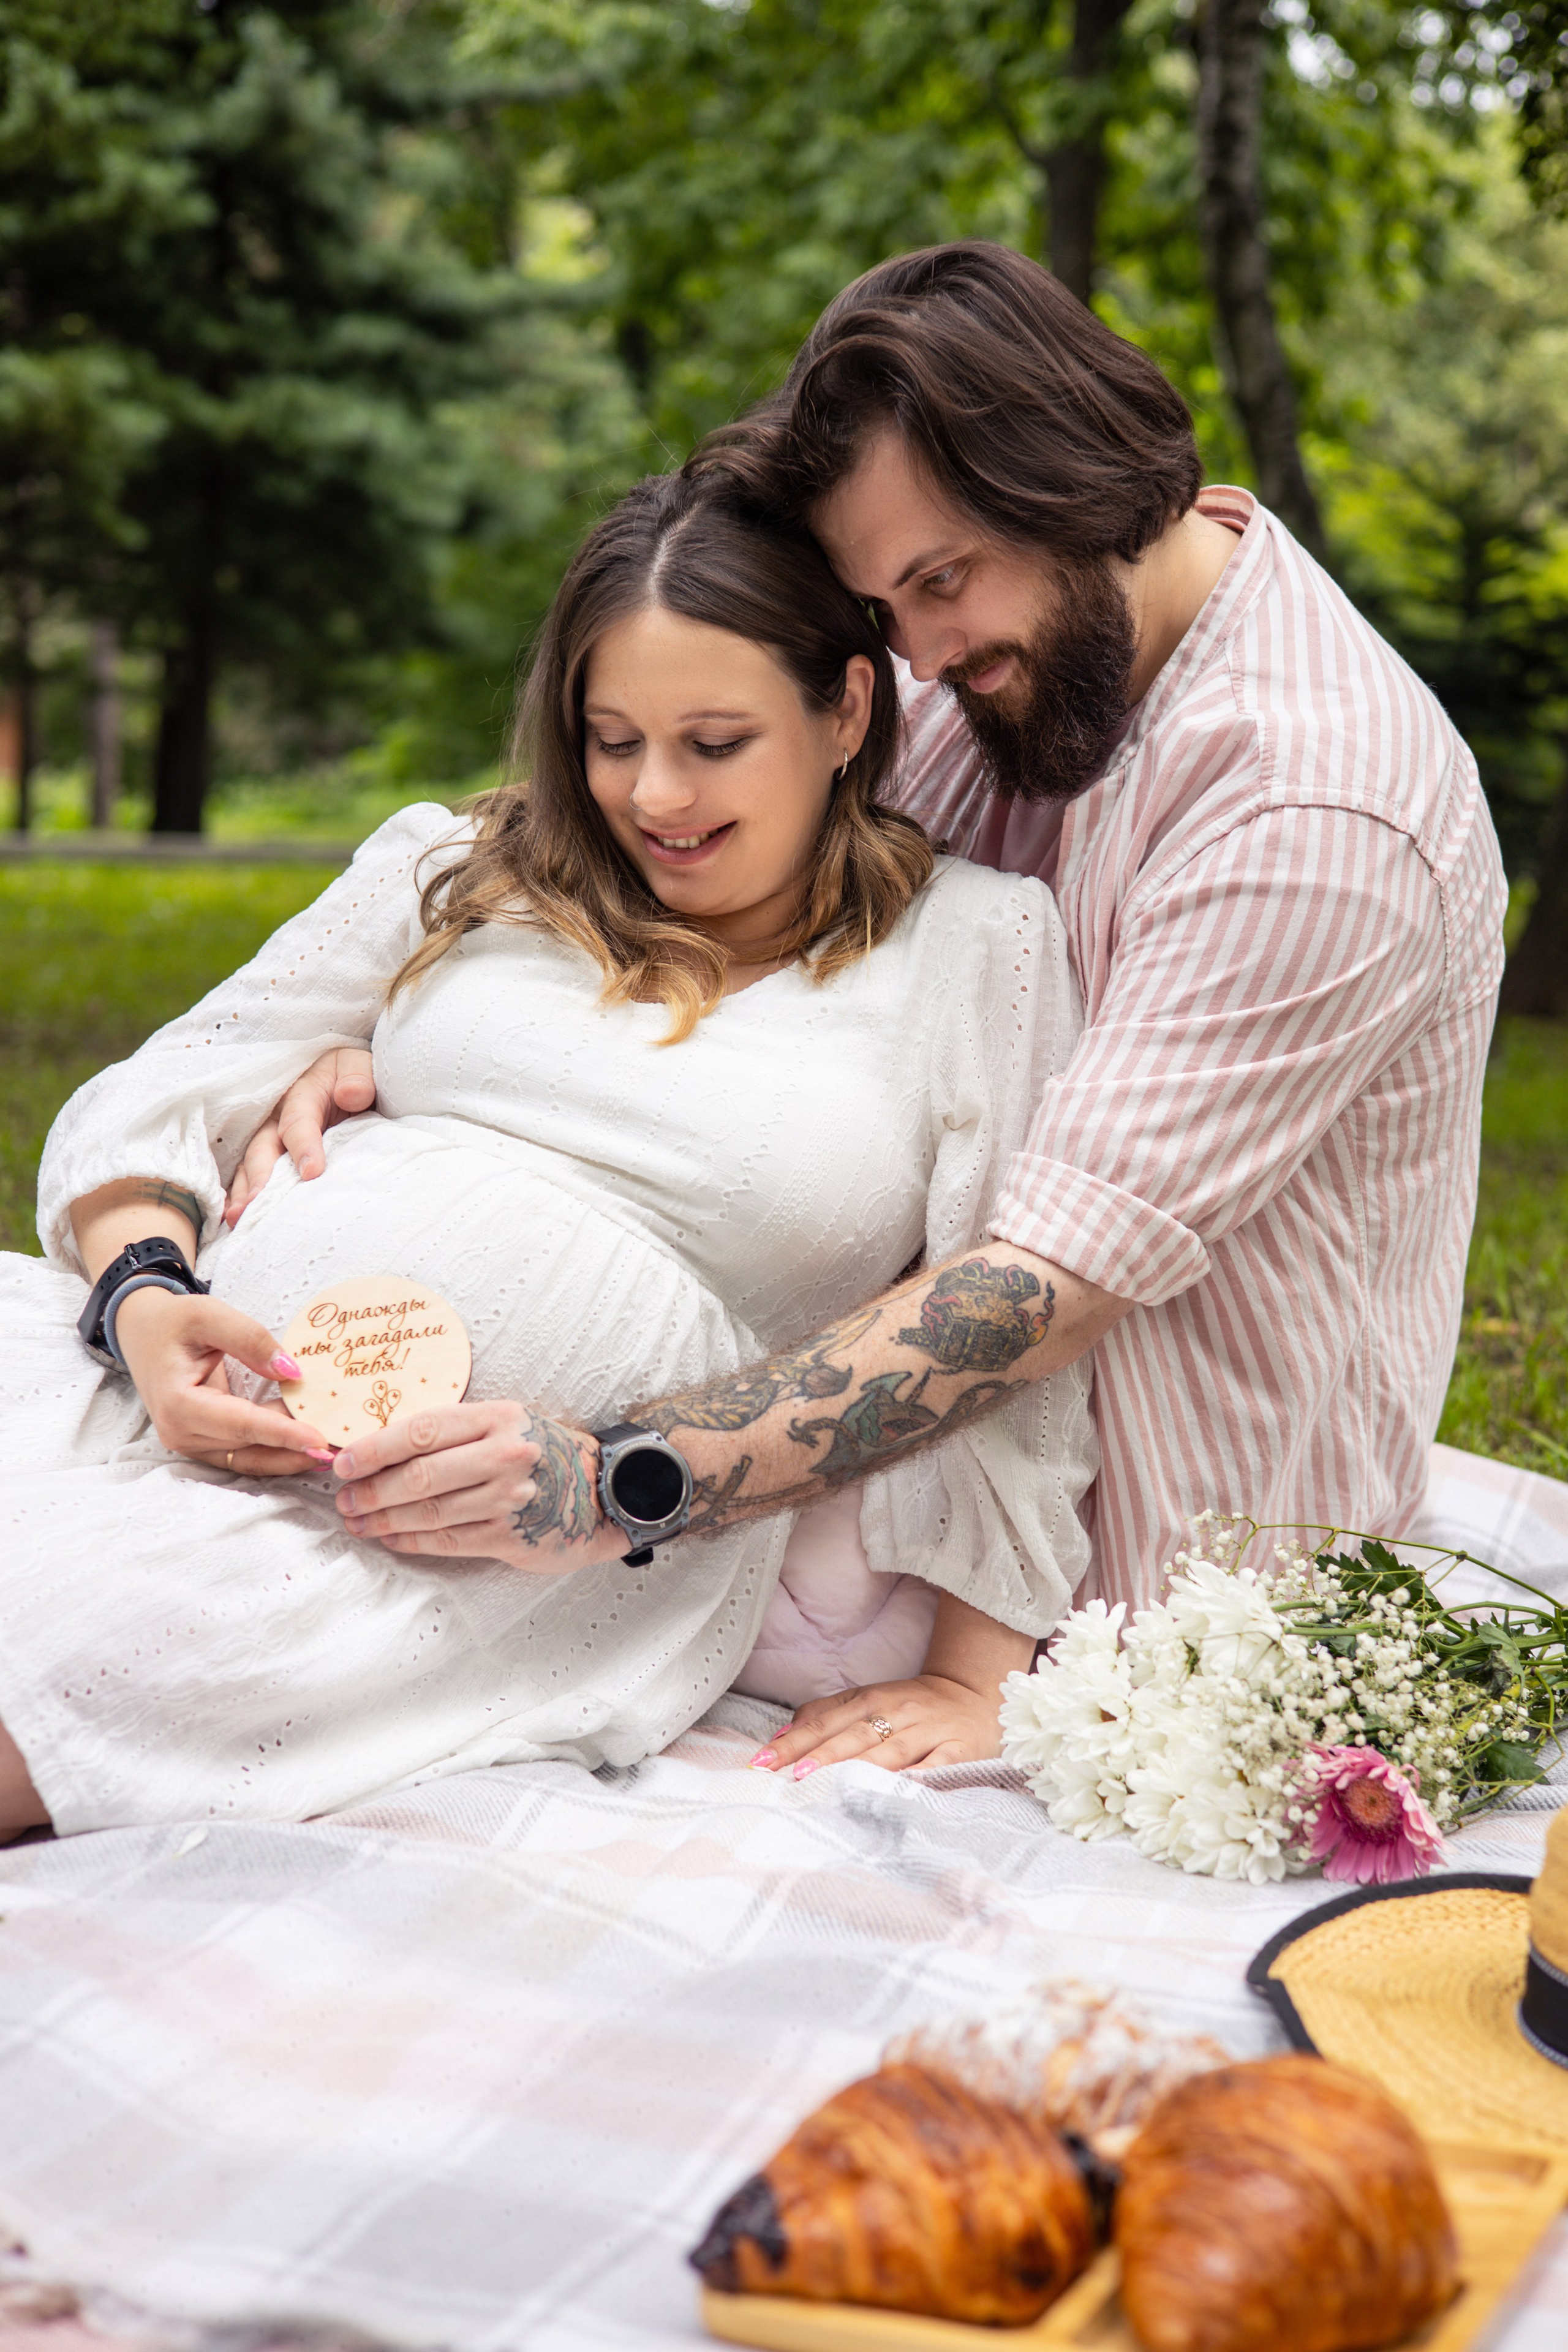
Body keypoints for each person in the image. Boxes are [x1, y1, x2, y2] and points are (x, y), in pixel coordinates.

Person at [244, 241, 1506, 1738]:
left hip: (1157, 1584)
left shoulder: (1309, 812)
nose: (914, 652)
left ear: (1088, 484)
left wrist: (608, 1481)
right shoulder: (996, 654)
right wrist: (380, 1024)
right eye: (880, 607)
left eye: (940, 584)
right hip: (856, 1529)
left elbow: (1032, 1292)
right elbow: (673, 798)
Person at [0, 469, 1096, 1840]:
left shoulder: (975, 950)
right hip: (140, 1387)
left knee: (61, 1670)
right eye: (610, 737)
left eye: (713, 740)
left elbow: (1017, 1322)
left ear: (845, 711)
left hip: (470, 1546)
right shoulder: (465, 865)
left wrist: (974, 1678)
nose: (654, 795)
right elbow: (176, 1079)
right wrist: (143, 1303)